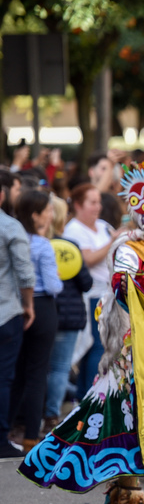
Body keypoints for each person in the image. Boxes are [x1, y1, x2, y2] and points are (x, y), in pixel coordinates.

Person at [19, 155, 144, 504]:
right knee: (140, 419)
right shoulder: (128, 248)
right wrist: (135, 284)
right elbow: (122, 288)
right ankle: (126, 498)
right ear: (140, 211)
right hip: (133, 349)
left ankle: (122, 491)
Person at [11, 190, 62, 451]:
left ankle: (9, 427)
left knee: (16, 371)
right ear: (36, 215)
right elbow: (53, 285)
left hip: (15, 306)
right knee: (37, 372)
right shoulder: (42, 244)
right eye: (48, 209)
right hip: (42, 306)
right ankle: (32, 434)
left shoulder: (14, 238)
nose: (52, 214)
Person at [63, 184, 117, 402]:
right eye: (92, 202)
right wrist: (113, 241)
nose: (98, 207)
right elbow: (87, 259)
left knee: (102, 347)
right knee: (94, 347)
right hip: (89, 296)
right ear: (78, 205)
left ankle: (91, 395)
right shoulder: (73, 229)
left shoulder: (103, 226)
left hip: (107, 294)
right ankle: (87, 398)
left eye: (98, 202)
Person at [44, 197, 93, 434]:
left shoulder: (38, 243)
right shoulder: (69, 245)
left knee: (40, 367)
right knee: (60, 367)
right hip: (70, 316)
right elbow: (86, 282)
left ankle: (33, 416)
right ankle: (52, 416)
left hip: (43, 313)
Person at [0, 171, 35, 458]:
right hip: (6, 311)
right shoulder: (10, 226)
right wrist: (29, 305)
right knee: (4, 377)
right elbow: (25, 273)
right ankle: (1, 438)